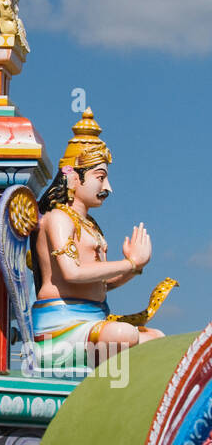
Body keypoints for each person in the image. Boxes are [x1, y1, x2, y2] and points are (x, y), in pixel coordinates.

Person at [33, 108, 164, 371]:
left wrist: (135, 266)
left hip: (95, 321)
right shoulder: (59, 218)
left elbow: (100, 282)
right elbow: (72, 273)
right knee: (124, 335)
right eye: (100, 178)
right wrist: (128, 264)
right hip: (61, 327)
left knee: (157, 339)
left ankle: (119, 389)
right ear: (72, 177)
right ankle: (108, 383)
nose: (107, 188)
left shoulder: (89, 224)